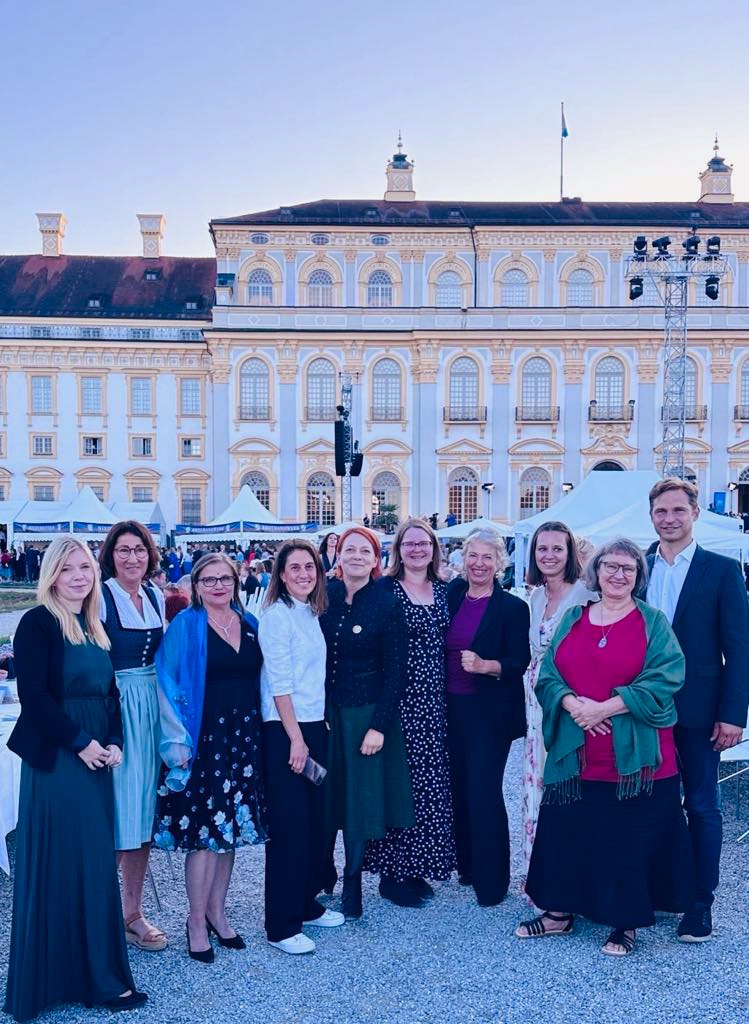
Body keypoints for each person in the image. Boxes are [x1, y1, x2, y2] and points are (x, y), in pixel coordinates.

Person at [518, 538, 695, 956]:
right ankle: (558, 913)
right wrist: (572, 705)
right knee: (568, 832)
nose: (618, 575)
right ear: (595, 572)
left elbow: (667, 675)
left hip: (633, 755)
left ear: (638, 577)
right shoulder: (575, 618)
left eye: (628, 569)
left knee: (627, 838)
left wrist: (606, 709)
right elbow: (549, 674)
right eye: (610, 566)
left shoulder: (652, 622)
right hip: (576, 751)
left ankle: (624, 922)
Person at [5, 537, 147, 1019]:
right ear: (52, 575)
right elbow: (36, 698)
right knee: (70, 863)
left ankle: (91, 975)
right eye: (68, 569)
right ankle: (75, 980)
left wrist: (115, 740)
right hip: (60, 760)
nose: (79, 577)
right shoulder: (37, 623)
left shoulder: (94, 625)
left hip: (95, 759)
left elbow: (109, 694)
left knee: (90, 864)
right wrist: (81, 743)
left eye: (85, 567)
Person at [645, 477, 749, 941]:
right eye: (661, 512)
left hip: (700, 711)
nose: (669, 519)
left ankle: (699, 904)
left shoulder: (722, 571)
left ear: (695, 514)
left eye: (677, 511)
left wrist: (733, 713)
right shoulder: (638, 568)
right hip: (643, 711)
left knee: (703, 806)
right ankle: (660, 892)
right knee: (651, 806)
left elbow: (739, 648)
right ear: (652, 516)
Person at [154, 553, 267, 962]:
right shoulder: (187, 625)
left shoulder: (250, 624)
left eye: (225, 579)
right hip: (203, 744)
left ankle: (218, 912)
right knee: (203, 836)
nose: (218, 586)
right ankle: (195, 920)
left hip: (244, 743)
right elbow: (165, 682)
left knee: (228, 832)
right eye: (208, 580)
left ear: (236, 582)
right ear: (196, 586)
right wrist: (177, 743)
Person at [320, 526, 413, 920]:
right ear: (337, 555)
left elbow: (396, 673)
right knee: (327, 793)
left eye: (365, 551)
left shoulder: (388, 602)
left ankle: (353, 880)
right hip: (325, 712)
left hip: (365, 713)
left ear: (377, 560)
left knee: (360, 798)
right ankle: (320, 872)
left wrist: (379, 725)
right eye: (348, 549)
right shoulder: (325, 596)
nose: (355, 556)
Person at [258, 541, 344, 955]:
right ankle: (280, 923)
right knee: (289, 828)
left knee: (314, 822)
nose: (303, 574)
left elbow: (313, 677)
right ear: (281, 574)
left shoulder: (311, 612)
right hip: (285, 730)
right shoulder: (277, 616)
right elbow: (280, 682)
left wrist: (319, 722)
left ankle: (306, 903)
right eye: (294, 568)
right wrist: (296, 737)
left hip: (312, 725)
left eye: (309, 567)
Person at [364, 519, 456, 905]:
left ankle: (419, 864)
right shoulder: (384, 590)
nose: (417, 549)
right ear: (397, 550)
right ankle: (392, 872)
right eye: (409, 543)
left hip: (435, 701)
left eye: (424, 543)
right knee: (398, 784)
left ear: (434, 549)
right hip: (399, 700)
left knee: (430, 786)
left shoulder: (446, 591)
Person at [446, 528, 531, 907]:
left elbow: (519, 662)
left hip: (489, 714)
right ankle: (466, 866)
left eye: (487, 557)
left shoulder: (512, 607)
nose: (479, 564)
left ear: (500, 563)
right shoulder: (450, 596)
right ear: (463, 560)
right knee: (458, 790)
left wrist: (485, 665)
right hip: (449, 708)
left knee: (483, 792)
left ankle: (493, 881)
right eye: (473, 556)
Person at [99, 521, 169, 952]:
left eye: (139, 550)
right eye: (123, 550)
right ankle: (101, 912)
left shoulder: (156, 595)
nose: (132, 558)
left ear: (150, 554)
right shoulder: (99, 596)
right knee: (114, 812)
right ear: (111, 555)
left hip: (152, 708)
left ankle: (132, 913)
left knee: (144, 812)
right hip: (116, 705)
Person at [520, 522, 597, 883]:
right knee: (538, 781)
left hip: (570, 699)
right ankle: (542, 874)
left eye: (556, 549)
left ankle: (573, 877)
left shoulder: (585, 596)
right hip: (536, 703)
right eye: (542, 549)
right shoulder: (535, 597)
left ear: (570, 554)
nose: (548, 556)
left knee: (567, 781)